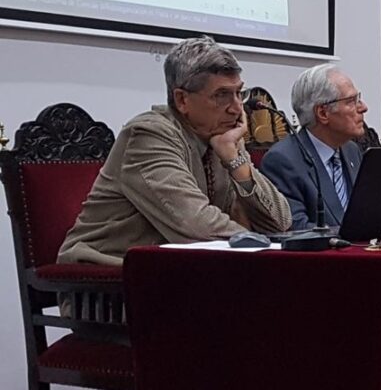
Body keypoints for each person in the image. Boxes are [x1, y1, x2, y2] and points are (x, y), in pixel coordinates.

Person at [58, 36, 291, 265]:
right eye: (222, 95)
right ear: (182, 100)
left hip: (179, 275)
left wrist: (234, 159)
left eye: (239, 93)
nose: (236, 108)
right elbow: (195, 226)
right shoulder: (149, 135)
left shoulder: (223, 138)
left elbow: (280, 222)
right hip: (110, 281)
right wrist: (262, 247)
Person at [259, 63, 367, 230]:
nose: (363, 108)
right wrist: (355, 230)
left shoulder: (351, 150)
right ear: (323, 113)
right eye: (351, 101)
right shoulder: (282, 161)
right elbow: (296, 227)